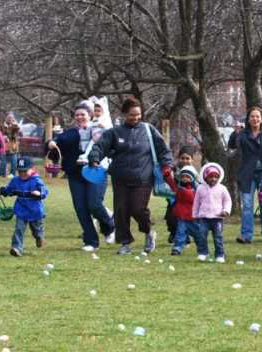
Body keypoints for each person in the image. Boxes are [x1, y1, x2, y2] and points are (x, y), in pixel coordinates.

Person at [89, 97, 174, 255]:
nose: (135, 118)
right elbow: (99, 147)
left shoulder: (148, 130)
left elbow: (163, 149)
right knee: (121, 211)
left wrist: (167, 165)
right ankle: (125, 243)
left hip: (143, 178)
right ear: (124, 114)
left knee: (138, 209)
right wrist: (94, 159)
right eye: (132, 115)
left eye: (138, 114)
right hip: (120, 178)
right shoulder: (114, 132)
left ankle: (149, 233)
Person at [48, 102, 116, 252]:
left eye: (83, 114)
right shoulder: (70, 133)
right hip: (75, 174)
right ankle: (91, 241)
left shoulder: (100, 129)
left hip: (95, 171)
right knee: (81, 208)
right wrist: (51, 143)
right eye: (77, 115)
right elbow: (57, 141)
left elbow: (111, 142)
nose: (80, 117)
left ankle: (110, 226)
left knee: (94, 204)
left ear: (90, 115)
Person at [228, 107, 262, 244]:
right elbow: (232, 146)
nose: (255, 119)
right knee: (247, 204)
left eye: (257, 117)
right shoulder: (242, 134)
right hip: (247, 173)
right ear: (248, 119)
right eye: (252, 117)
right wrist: (234, 133)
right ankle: (246, 235)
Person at [0, 156, 47, 257]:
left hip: (35, 211)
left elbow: (45, 191)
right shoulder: (15, 180)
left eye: (25, 171)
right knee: (19, 229)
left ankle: (39, 237)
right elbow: (9, 190)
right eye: (20, 171)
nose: (22, 174)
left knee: (36, 230)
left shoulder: (36, 180)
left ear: (33, 169)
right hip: (21, 209)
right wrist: (2, 191)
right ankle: (17, 248)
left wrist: (39, 193)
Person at [191, 163, 231, 263]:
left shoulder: (222, 188)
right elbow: (196, 202)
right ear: (205, 177)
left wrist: (226, 210)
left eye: (215, 177)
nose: (213, 179)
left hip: (217, 217)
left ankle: (220, 254)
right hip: (204, 217)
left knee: (218, 237)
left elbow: (227, 201)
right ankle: (203, 253)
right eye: (210, 177)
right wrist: (195, 214)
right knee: (202, 235)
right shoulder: (200, 188)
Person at [164, 165, 200, 256]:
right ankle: (177, 248)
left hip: (193, 217)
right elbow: (171, 183)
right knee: (180, 233)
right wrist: (168, 175)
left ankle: (202, 248)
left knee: (198, 234)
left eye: (187, 177)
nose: (185, 178)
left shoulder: (197, 189)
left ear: (192, 178)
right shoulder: (178, 188)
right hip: (182, 217)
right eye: (183, 176)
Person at [164, 146, 196, 244]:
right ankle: (173, 233)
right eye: (182, 158)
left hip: (188, 202)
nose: (185, 161)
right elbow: (168, 179)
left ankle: (185, 236)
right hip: (174, 199)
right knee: (171, 219)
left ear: (192, 160)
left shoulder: (194, 172)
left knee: (185, 220)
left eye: (188, 158)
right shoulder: (173, 169)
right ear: (178, 158)